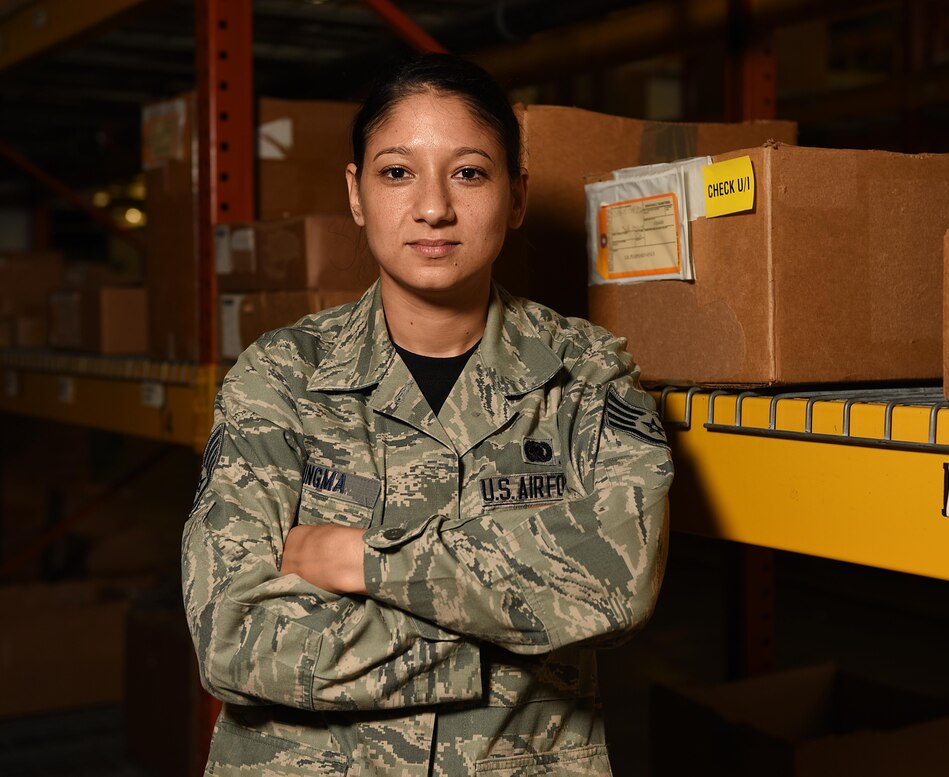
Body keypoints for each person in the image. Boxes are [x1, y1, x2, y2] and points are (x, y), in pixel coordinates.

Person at [182, 52, 672, 777]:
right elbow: (231, 635)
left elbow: (617, 587)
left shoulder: (586, 374)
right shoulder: (282, 377)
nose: (434, 206)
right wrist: (507, 636)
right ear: (356, 193)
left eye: (470, 171)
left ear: (516, 195)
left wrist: (361, 559)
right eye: (396, 171)